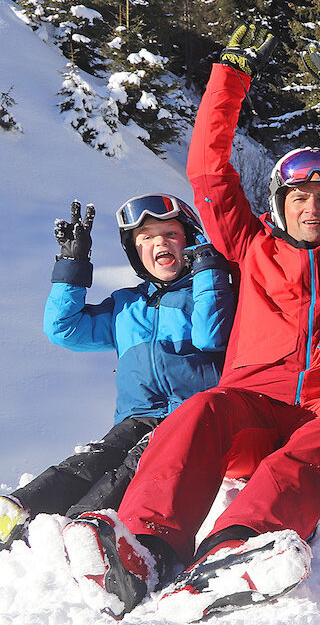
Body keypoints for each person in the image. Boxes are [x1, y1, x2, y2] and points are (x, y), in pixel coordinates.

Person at [60, 22, 320, 622]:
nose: (312, 207)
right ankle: (144, 547)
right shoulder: (250, 247)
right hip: (250, 402)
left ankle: (234, 545)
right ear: (279, 204)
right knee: (199, 410)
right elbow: (208, 170)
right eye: (299, 197)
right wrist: (230, 73)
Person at [0, 195, 233, 551]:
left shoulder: (209, 295)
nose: (159, 243)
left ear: (190, 241)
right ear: (135, 252)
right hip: (137, 416)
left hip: (190, 418)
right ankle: (22, 508)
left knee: (132, 468)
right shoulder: (127, 305)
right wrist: (73, 266)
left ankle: (76, 528)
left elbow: (210, 335)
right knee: (95, 457)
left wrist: (207, 269)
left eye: (171, 233)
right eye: (146, 238)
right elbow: (64, 329)